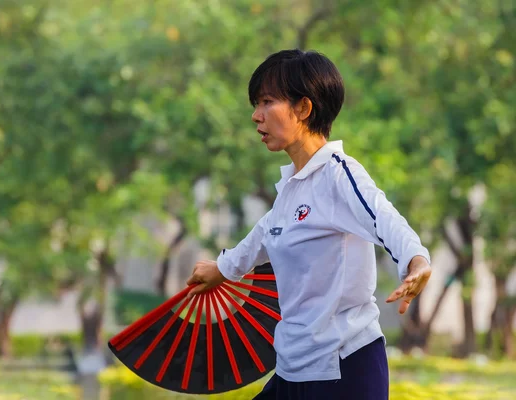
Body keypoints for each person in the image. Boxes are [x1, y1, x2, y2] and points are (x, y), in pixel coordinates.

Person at [185, 49, 432, 400]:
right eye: (256, 104)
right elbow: (266, 233)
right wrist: (222, 268)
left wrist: (416, 261)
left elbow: (384, 218)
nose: (256, 116)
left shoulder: (338, 174)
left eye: (267, 102)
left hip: (344, 369)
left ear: (303, 108)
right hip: (293, 369)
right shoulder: (292, 187)